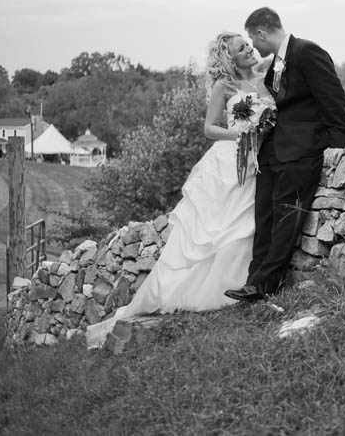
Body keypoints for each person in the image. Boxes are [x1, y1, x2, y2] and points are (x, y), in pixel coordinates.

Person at [85, 32, 275, 348]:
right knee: (216, 229)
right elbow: (209, 128)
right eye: (242, 47)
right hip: (229, 163)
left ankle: (240, 284)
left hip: (258, 162)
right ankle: (205, 292)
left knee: (246, 224)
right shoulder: (223, 87)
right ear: (230, 58)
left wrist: (262, 130)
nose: (250, 49)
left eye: (249, 44)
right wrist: (240, 136)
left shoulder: (266, 77)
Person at [224, 7, 345, 302]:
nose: (253, 46)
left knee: (287, 214)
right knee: (264, 216)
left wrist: (336, 147)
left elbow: (334, 101)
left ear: (261, 33)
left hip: (303, 151)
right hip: (274, 152)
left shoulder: (308, 52)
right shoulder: (276, 63)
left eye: (252, 39)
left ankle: (266, 284)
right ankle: (253, 280)